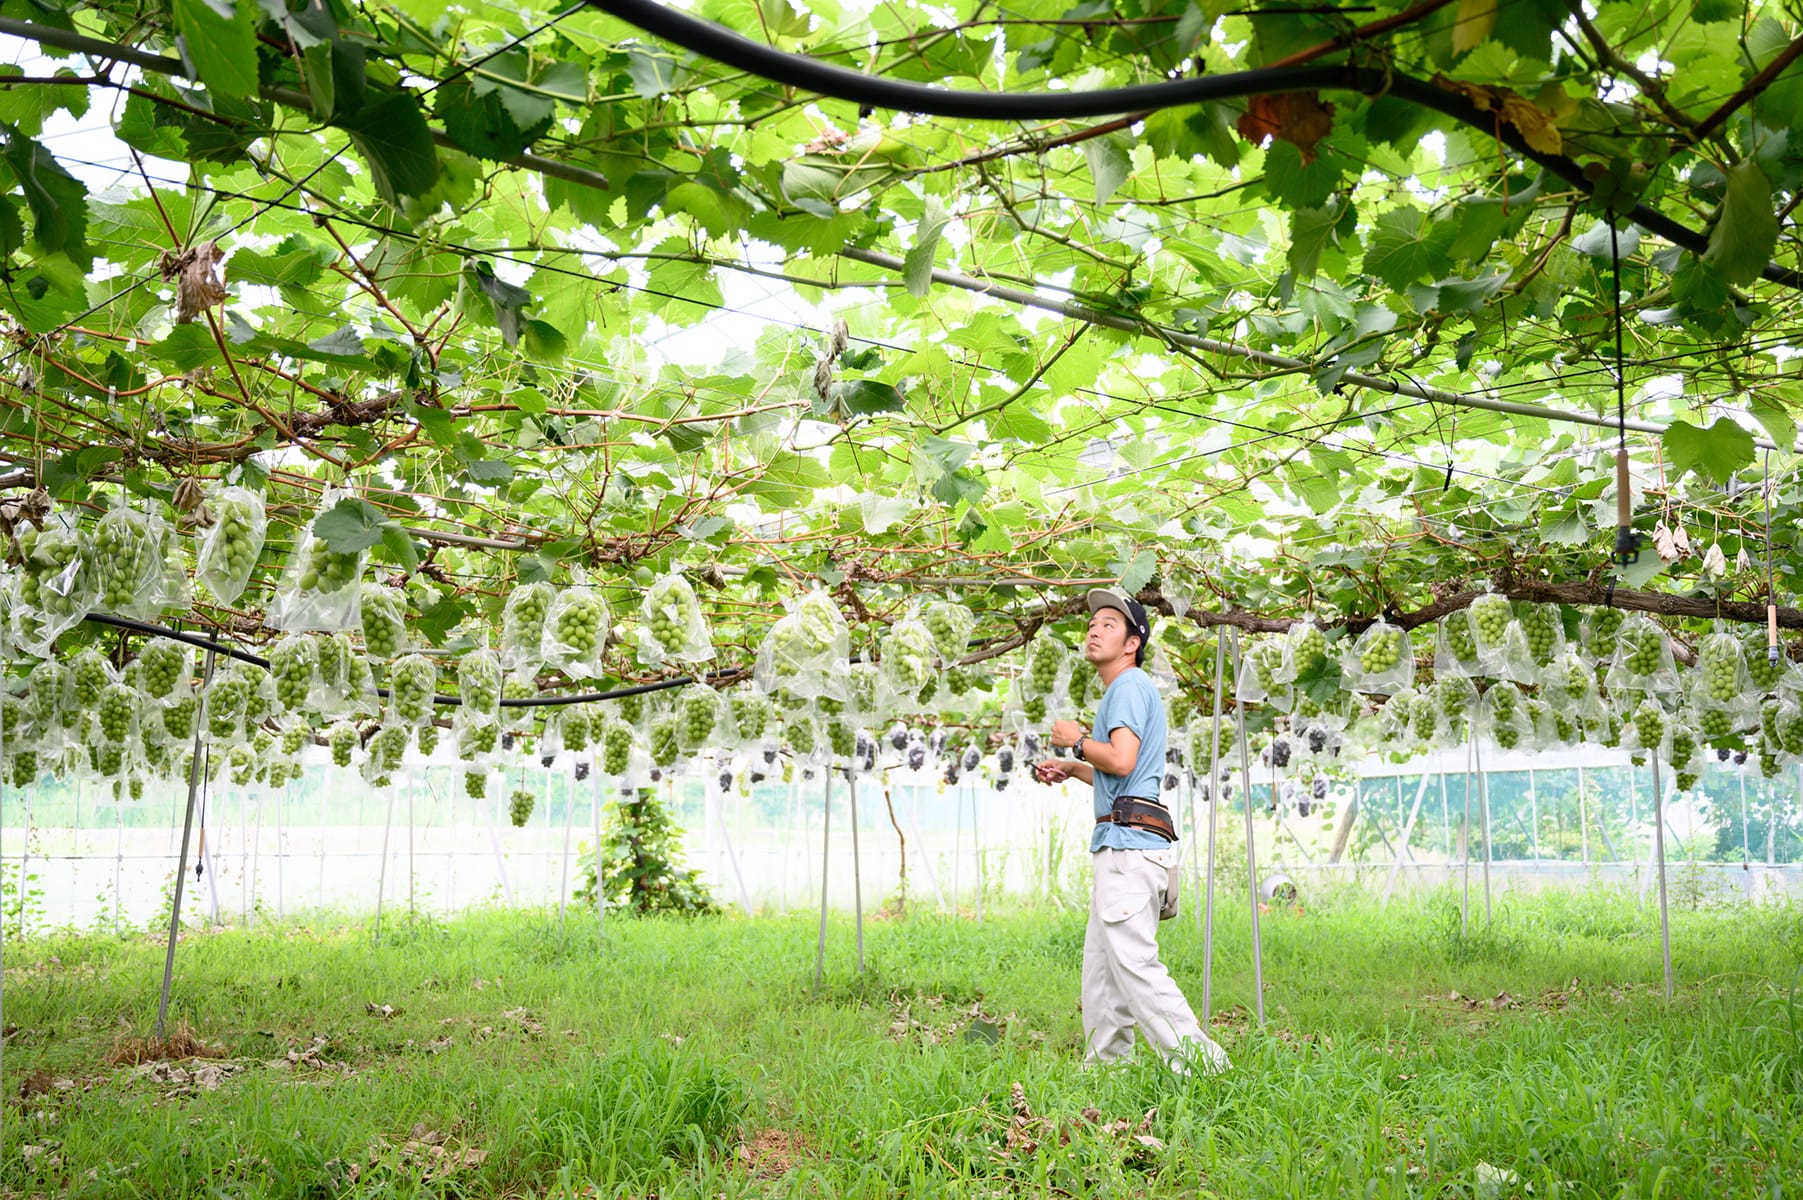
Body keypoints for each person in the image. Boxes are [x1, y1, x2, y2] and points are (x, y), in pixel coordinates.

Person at [1034, 588, 1229, 1075]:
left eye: (1109, 623)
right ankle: (1106, 1075)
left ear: (1132, 642)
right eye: (1092, 623)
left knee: (1137, 969)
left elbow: (1118, 759)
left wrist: (1076, 739)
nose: (1094, 629)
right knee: (1102, 976)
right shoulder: (1128, 689)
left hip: (1129, 848)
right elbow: (1123, 771)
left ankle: (1206, 1068)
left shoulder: (1127, 686)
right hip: (1124, 843)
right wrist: (1073, 767)